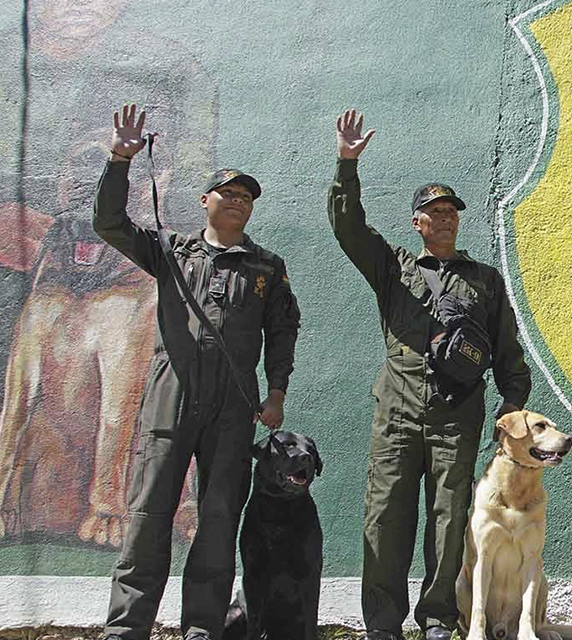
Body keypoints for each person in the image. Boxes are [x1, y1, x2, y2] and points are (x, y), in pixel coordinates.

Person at [93, 103, 300, 640]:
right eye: (227, 193)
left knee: (217, 518)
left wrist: (275, 394)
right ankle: (128, 625)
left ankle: (201, 625)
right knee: (148, 513)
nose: (237, 201)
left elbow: (282, 333)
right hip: (172, 393)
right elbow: (110, 223)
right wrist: (121, 159)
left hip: (235, 401)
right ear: (204, 201)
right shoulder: (172, 251)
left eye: (246, 197)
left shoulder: (266, 267)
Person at [327, 109, 531, 640]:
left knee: (449, 516)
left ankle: (438, 616)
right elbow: (349, 228)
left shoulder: (484, 280)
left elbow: (507, 348)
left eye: (451, 212)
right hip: (397, 412)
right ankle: (382, 623)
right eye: (432, 212)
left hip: (456, 415)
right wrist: (347, 165)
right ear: (416, 222)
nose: (443, 219)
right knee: (386, 515)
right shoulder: (392, 268)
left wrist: (513, 403)